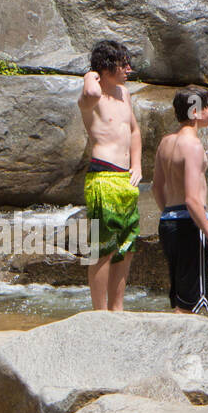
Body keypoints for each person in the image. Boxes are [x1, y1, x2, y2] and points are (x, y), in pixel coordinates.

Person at [77, 40, 142, 310]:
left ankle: (118, 308)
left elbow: (134, 131)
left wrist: (137, 165)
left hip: (126, 179)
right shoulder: (91, 97)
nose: (128, 68)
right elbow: (91, 91)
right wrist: (89, 74)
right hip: (103, 177)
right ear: (105, 68)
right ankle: (99, 311)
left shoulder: (124, 94)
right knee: (103, 248)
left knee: (125, 247)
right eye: (122, 63)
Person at [152, 86, 208, 314]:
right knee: (192, 303)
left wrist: (171, 216)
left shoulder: (166, 143)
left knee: (179, 299)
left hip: (168, 223)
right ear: (195, 111)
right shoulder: (192, 146)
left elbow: (156, 188)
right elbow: (192, 199)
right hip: (190, 227)